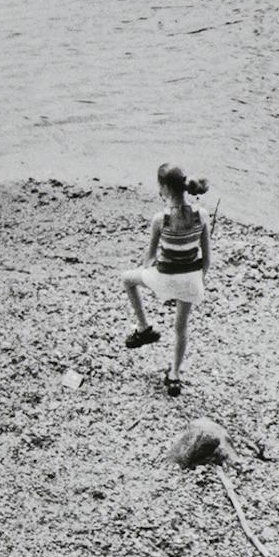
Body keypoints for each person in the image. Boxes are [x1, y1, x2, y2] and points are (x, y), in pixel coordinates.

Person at [119, 164, 213, 397]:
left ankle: (144, 328)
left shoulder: (160, 219)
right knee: (181, 328)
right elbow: (207, 259)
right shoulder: (201, 214)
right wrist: (198, 280)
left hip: (165, 277)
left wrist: (147, 269)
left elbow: (150, 256)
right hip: (191, 279)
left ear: (163, 188)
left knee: (127, 279)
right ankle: (174, 376)